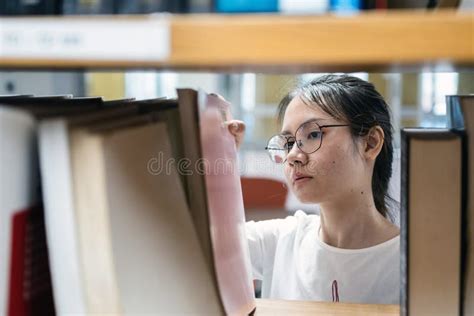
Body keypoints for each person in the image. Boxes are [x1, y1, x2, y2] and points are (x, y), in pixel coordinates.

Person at [226, 74, 400, 305]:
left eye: (313, 135)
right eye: (288, 143)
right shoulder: (278, 241)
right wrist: (217, 153)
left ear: (370, 143)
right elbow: (192, 246)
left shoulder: (415, 263)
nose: (293, 156)